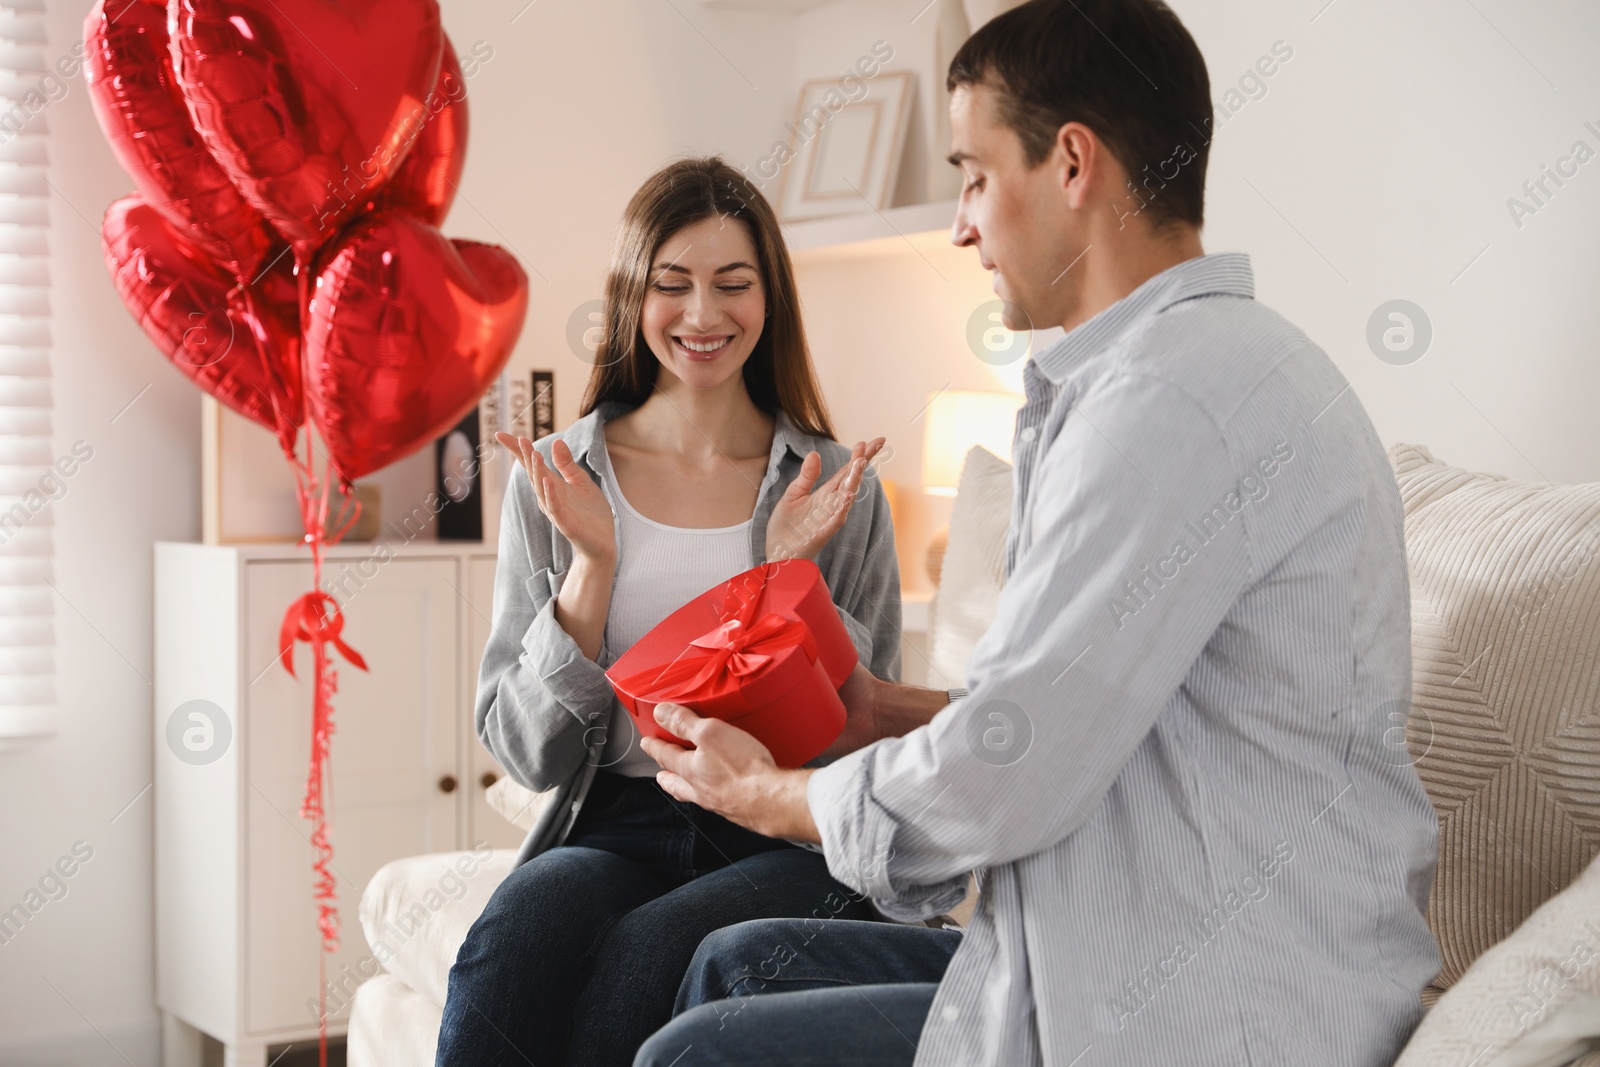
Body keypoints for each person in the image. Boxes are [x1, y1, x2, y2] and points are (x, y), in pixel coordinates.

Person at [632, 2, 1441, 1065]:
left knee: (692, 1052)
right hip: (1126, 936)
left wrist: (769, 795)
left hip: (1200, 996)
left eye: (972, 173)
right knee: (730, 966)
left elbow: (1003, 775)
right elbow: (1082, 713)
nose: (962, 222)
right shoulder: (1204, 365)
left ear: (1072, 163)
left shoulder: (1164, 401)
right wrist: (882, 710)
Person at [434, 155, 903, 1067]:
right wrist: (592, 568)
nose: (702, 315)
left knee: (647, 954)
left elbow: (860, 736)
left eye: (733, 284)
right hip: (614, 817)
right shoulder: (557, 481)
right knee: (514, 936)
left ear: (770, 301)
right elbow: (522, 751)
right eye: (673, 285)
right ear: (631, 296)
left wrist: (788, 581)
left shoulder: (833, 489)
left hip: (782, 824)